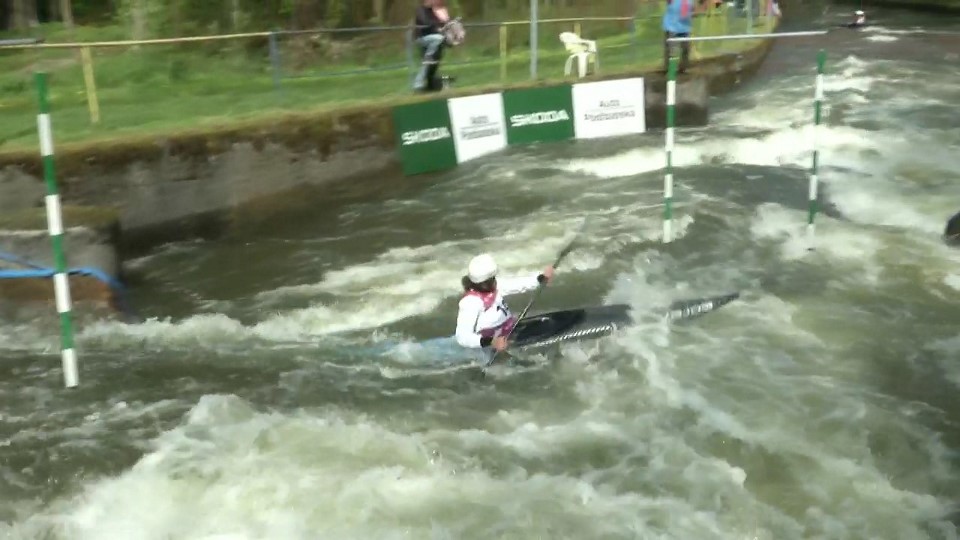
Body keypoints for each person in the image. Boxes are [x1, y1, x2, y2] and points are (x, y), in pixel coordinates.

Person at [455, 253, 555, 356]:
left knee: (548, 323)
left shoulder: (492, 286)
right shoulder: (470, 302)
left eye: (493, 278)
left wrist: (540, 279)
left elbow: (516, 284)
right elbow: (462, 337)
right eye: (490, 280)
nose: (494, 282)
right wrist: (491, 342)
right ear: (481, 283)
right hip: (490, 347)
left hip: (509, 331)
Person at [662, 0, 708, 75]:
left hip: (685, 28)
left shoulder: (690, 1)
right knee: (672, 51)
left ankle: (683, 69)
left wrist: (702, 7)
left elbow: (693, 12)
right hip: (671, 27)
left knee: (686, 49)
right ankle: (670, 71)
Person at [413, 0, 446, 92]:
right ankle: (430, 54)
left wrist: (441, 25)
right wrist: (436, 26)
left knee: (430, 62)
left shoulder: (432, 11)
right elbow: (426, 22)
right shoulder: (420, 10)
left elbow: (439, 22)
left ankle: (427, 84)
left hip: (432, 38)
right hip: (422, 38)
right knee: (439, 38)